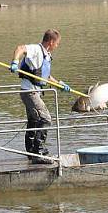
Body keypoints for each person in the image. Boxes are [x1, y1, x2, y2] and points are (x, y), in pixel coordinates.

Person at [10, 29, 72, 162]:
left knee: (34, 121)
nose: (57, 46)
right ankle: (39, 152)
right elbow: (20, 48)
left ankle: (32, 152)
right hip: (29, 92)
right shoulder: (37, 50)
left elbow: (45, 76)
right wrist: (15, 61)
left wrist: (60, 84)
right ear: (51, 42)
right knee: (45, 119)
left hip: (35, 92)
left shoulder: (46, 55)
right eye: (57, 43)